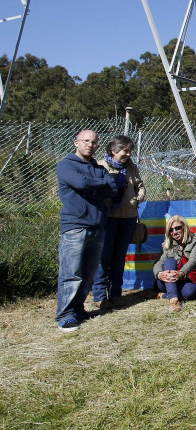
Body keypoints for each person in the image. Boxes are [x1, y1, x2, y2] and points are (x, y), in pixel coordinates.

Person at [55, 129, 119, 331]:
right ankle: (65, 315)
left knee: (89, 274)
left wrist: (94, 186)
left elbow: (113, 189)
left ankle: (78, 308)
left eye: (94, 142)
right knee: (71, 273)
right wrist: (99, 185)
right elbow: (80, 182)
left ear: (98, 146)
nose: (89, 145)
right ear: (76, 142)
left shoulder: (98, 168)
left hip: (98, 226)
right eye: (85, 141)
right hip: (75, 226)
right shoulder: (66, 165)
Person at [92, 135, 146, 311]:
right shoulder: (101, 166)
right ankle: (100, 296)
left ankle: (116, 294)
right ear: (114, 150)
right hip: (107, 217)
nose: (128, 154)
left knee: (119, 257)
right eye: (125, 151)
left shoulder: (132, 167)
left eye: (130, 151)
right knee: (104, 257)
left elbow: (140, 186)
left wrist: (137, 199)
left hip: (128, 217)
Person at [150, 215, 196, 312]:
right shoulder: (167, 245)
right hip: (168, 280)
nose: (174, 232)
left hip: (187, 278)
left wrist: (181, 273)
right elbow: (159, 263)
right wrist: (160, 274)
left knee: (190, 292)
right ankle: (174, 301)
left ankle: (163, 295)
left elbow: (194, 261)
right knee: (170, 261)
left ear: (184, 228)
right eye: (171, 230)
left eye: (178, 228)